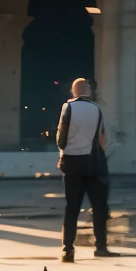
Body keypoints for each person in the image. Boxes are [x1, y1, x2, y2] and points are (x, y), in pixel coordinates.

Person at [56, 77, 110, 261]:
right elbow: (101, 138)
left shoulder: (67, 107)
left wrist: (62, 154)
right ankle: (101, 246)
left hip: (72, 163)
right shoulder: (96, 109)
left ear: (73, 92)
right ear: (88, 91)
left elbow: (60, 137)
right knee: (99, 207)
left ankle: (68, 249)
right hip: (93, 163)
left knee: (72, 208)